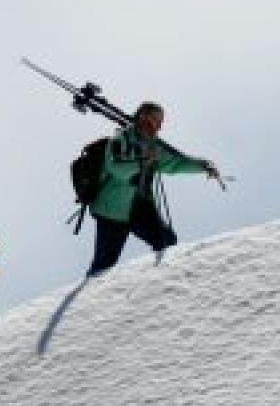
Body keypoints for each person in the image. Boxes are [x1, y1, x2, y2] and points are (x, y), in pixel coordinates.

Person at [86, 101, 220, 276]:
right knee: (103, 265)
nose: (160, 126)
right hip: (112, 212)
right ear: (143, 116)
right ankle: (92, 300)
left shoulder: (153, 146)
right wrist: (143, 162)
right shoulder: (121, 139)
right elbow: (116, 168)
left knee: (166, 240)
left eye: (161, 121)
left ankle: (160, 284)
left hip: (141, 208)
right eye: (157, 119)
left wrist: (203, 166)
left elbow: (175, 164)